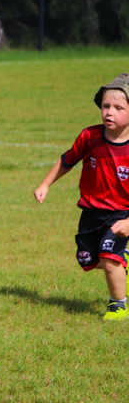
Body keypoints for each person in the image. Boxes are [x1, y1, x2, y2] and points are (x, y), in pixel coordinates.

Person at [35, 73, 129, 321]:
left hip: (122, 214)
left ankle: (118, 306)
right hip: (91, 211)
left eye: (118, 108)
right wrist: (46, 184)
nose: (109, 112)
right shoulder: (90, 137)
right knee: (87, 260)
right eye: (106, 106)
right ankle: (123, 260)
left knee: (109, 261)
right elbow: (67, 160)